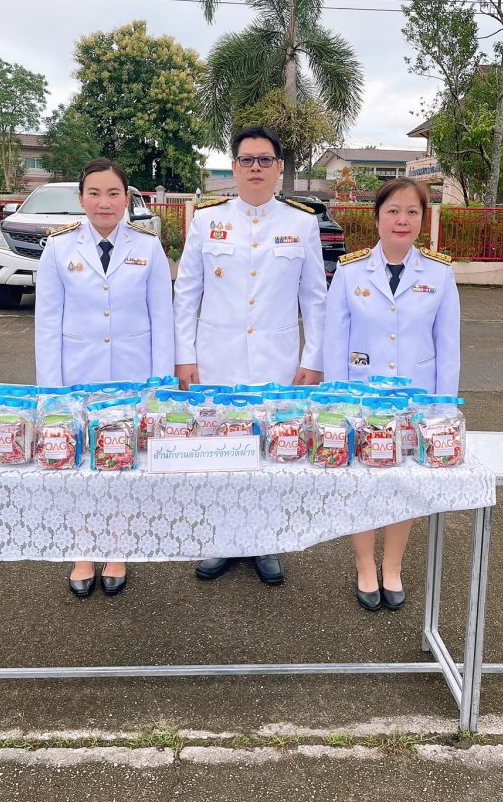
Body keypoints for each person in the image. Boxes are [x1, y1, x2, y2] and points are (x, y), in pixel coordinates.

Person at [174, 126, 327, 585]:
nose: (255, 167)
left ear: (279, 168)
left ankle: (265, 540)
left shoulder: (301, 223)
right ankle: (222, 538)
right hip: (216, 358)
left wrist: (313, 358)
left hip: (276, 359)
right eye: (247, 159)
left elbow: (314, 298)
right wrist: (184, 355)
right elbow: (187, 293)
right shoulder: (207, 220)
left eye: (264, 160)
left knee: (272, 447)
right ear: (234, 167)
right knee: (218, 447)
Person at [35, 157, 174, 598]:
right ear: (81, 199)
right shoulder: (59, 248)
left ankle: (117, 548)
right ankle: (82, 550)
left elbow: (163, 319)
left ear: (127, 198)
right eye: (94, 193)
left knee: (121, 461)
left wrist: (160, 387)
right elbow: (47, 323)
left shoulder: (148, 247)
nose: (104, 202)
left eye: (114, 193)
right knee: (79, 463)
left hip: (133, 377)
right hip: (77, 376)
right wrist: (51, 393)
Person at [323, 177, 460, 612]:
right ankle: (365, 564)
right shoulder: (350, 272)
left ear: (423, 218)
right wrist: (337, 406)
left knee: (405, 483)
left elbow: (449, 349)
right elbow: (333, 345)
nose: (403, 220)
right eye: (393, 211)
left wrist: (442, 414)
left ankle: (393, 566)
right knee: (363, 482)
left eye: (412, 212)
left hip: (417, 404)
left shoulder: (439, 273)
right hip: (361, 401)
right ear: (377, 217)